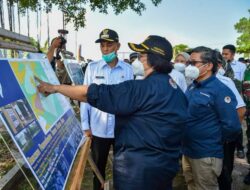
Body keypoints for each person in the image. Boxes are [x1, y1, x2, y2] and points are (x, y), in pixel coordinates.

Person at [37, 35, 188, 190]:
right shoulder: (176, 91)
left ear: (152, 59)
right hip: (164, 168)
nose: (139, 60)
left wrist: (54, 88)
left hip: (137, 173)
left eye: (142, 55)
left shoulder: (141, 89)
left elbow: (90, 93)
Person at [80, 28, 133, 190]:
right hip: (98, 129)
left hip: (121, 128)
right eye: (102, 45)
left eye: (109, 45)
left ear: (118, 46)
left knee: (122, 168)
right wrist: (85, 125)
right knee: (98, 168)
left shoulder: (128, 69)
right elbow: (85, 97)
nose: (105, 49)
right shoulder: (93, 68)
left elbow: (131, 99)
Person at [182, 46, 241, 190]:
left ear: (208, 66)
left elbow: (232, 127)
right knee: (192, 186)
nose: (189, 66)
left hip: (206, 154)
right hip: (187, 151)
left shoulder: (220, 90)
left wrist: (212, 139)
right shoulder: (192, 86)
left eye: (193, 63)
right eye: (188, 63)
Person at [215, 51, 246, 190]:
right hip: (202, 140)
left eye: (195, 63)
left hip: (224, 138)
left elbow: (240, 110)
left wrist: (230, 134)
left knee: (224, 171)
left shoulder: (226, 81)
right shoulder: (192, 82)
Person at [222, 44, 246, 159]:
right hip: (223, 99)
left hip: (236, 99)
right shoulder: (221, 66)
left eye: (226, 54)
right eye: (223, 54)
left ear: (233, 54)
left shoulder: (241, 66)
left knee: (237, 123)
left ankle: (240, 147)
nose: (224, 56)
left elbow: (243, 85)